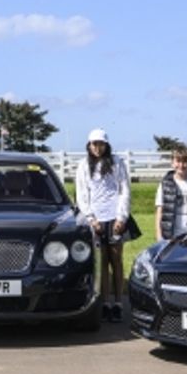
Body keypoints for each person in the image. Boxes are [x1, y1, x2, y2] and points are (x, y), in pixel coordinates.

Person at [74, 128, 131, 322]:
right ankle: (105, 303)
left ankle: (118, 303)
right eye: (93, 144)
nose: (97, 148)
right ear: (89, 145)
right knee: (103, 261)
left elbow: (124, 190)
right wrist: (91, 218)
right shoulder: (83, 166)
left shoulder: (117, 163)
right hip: (96, 219)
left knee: (117, 260)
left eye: (100, 144)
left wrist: (121, 217)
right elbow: (81, 195)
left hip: (114, 217)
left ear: (106, 145)